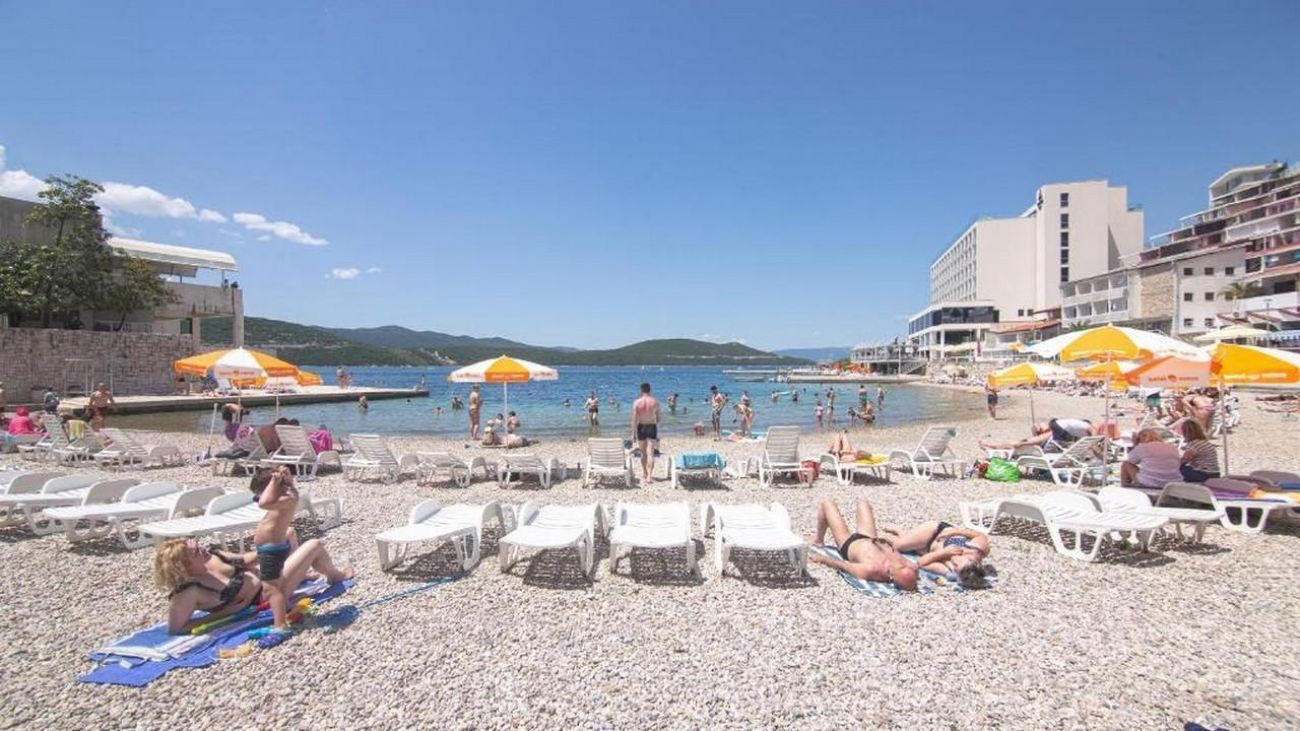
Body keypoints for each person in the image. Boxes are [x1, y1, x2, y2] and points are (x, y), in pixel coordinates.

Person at [153, 534, 352, 636]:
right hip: (269, 596)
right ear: (185, 567)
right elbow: (176, 628)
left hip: (267, 578)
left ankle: (303, 575)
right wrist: (223, 614)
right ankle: (335, 575)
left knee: (288, 534)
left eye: (198, 545)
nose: (203, 549)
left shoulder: (213, 557)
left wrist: (269, 550)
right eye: (197, 552)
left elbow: (245, 560)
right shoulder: (188, 592)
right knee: (314, 545)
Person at [808, 500, 919, 591]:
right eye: (905, 567)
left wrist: (822, 559)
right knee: (863, 503)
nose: (903, 564)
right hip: (869, 537)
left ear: (891, 577)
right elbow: (915, 567)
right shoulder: (904, 566)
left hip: (849, 543)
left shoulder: (873, 570)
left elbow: (845, 566)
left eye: (901, 567)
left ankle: (818, 539)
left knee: (827, 504)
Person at [249, 466, 301, 632]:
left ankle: (280, 626)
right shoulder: (283, 497)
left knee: (271, 588)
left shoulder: (287, 498)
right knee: (274, 584)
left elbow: (263, 503)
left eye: (261, 492)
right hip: (269, 548)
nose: (259, 497)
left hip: (272, 549)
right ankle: (284, 607)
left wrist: (274, 480)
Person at [885, 520, 990, 588]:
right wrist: (956, 532)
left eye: (955, 566)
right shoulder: (976, 549)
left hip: (927, 549)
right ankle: (900, 533)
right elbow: (980, 536)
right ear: (971, 560)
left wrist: (944, 553)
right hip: (935, 531)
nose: (955, 561)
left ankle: (902, 534)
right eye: (958, 563)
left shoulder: (950, 571)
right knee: (899, 545)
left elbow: (921, 563)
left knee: (899, 546)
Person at [631, 383, 661, 483]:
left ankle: (644, 472)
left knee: (643, 453)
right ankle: (649, 476)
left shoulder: (637, 402)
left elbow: (634, 420)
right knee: (651, 453)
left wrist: (633, 433)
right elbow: (658, 419)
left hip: (641, 427)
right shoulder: (655, 402)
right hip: (652, 427)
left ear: (641, 390)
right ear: (649, 390)